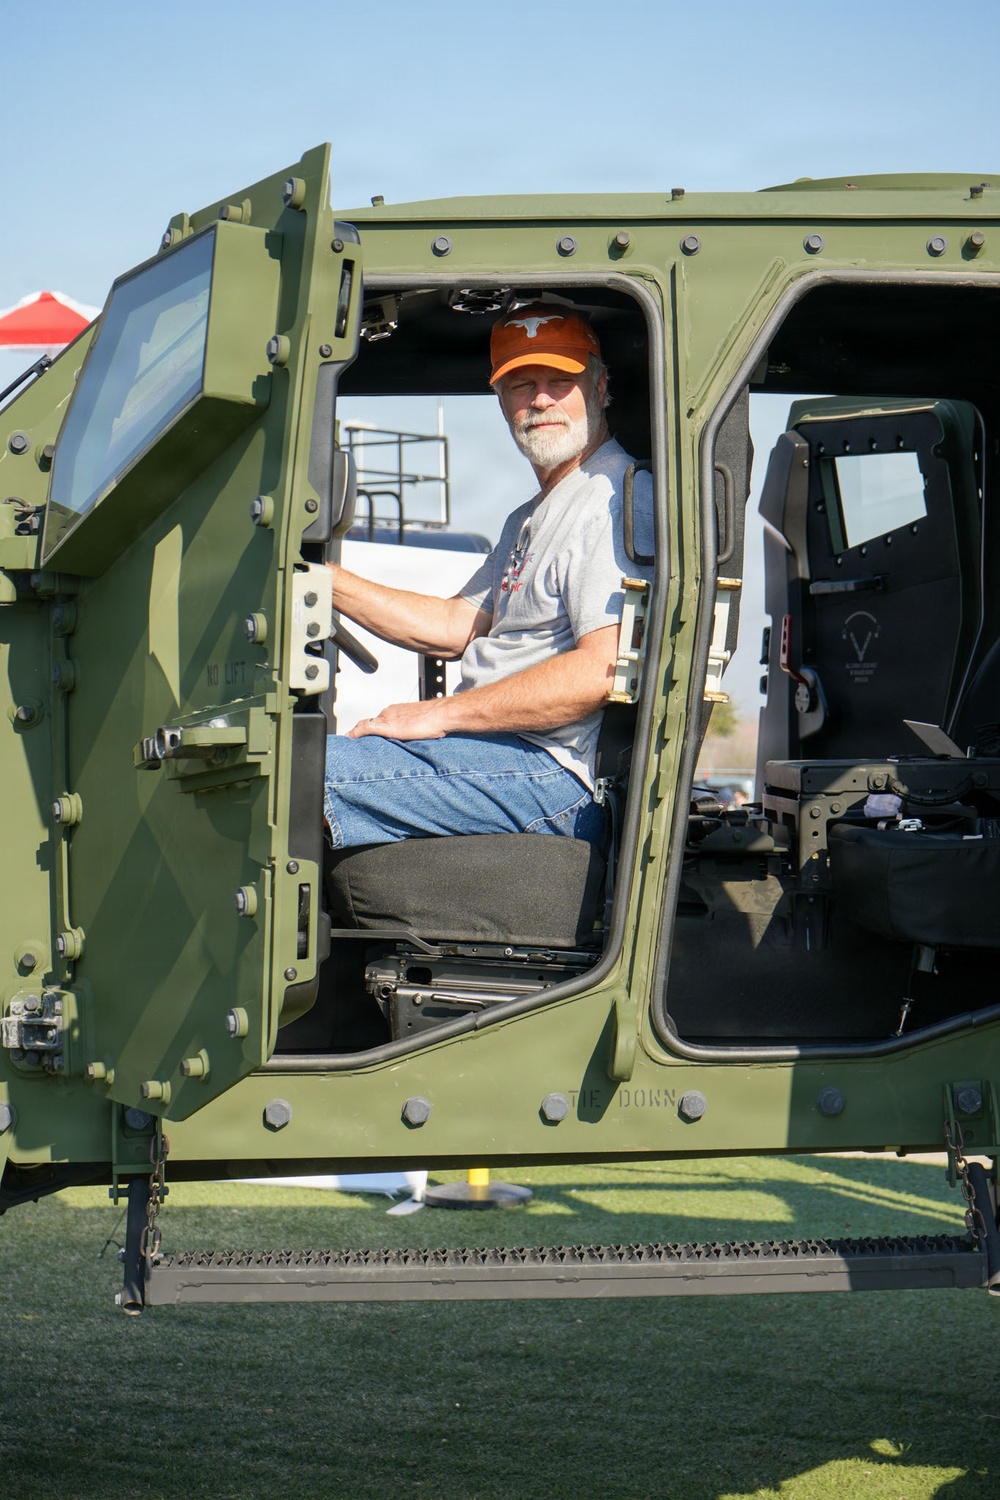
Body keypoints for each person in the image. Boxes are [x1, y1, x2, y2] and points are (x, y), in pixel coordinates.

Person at [323, 303, 654, 848]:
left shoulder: (611, 500)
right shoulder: (530, 516)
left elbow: (601, 670)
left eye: (560, 381)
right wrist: (326, 581)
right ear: (501, 401)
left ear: (600, 387)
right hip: (504, 754)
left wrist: (436, 715)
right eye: (522, 385)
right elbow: (456, 624)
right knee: (305, 757)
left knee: (300, 775)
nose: (541, 400)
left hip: (552, 771)